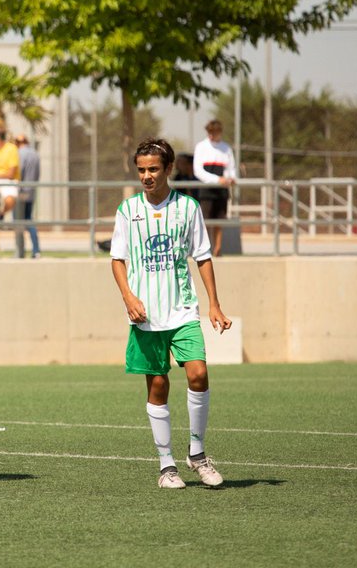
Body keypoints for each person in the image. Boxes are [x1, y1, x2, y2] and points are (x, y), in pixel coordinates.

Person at [110, 137, 232, 490]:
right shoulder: (128, 210)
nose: (147, 176)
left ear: (169, 169)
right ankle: (167, 466)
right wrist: (128, 297)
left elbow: (203, 256)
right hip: (146, 316)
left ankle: (197, 454)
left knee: (198, 374)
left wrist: (214, 304)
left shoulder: (188, 208)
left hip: (183, 312)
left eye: (153, 169)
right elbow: (117, 260)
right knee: (158, 384)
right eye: (142, 170)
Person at [193, 119, 238, 257]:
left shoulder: (226, 148)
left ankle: (218, 248)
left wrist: (230, 178)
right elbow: (198, 170)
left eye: (215, 132)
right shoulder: (201, 146)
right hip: (207, 189)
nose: (212, 135)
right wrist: (217, 180)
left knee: (219, 220)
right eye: (210, 132)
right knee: (206, 221)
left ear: (220, 132)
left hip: (222, 190)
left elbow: (231, 169)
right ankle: (206, 249)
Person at [13, 134, 41, 259]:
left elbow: (19, 172)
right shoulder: (35, 154)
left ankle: (20, 251)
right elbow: (37, 174)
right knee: (29, 220)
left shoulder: (20, 154)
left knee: (19, 221)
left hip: (21, 191)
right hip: (31, 191)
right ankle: (36, 249)